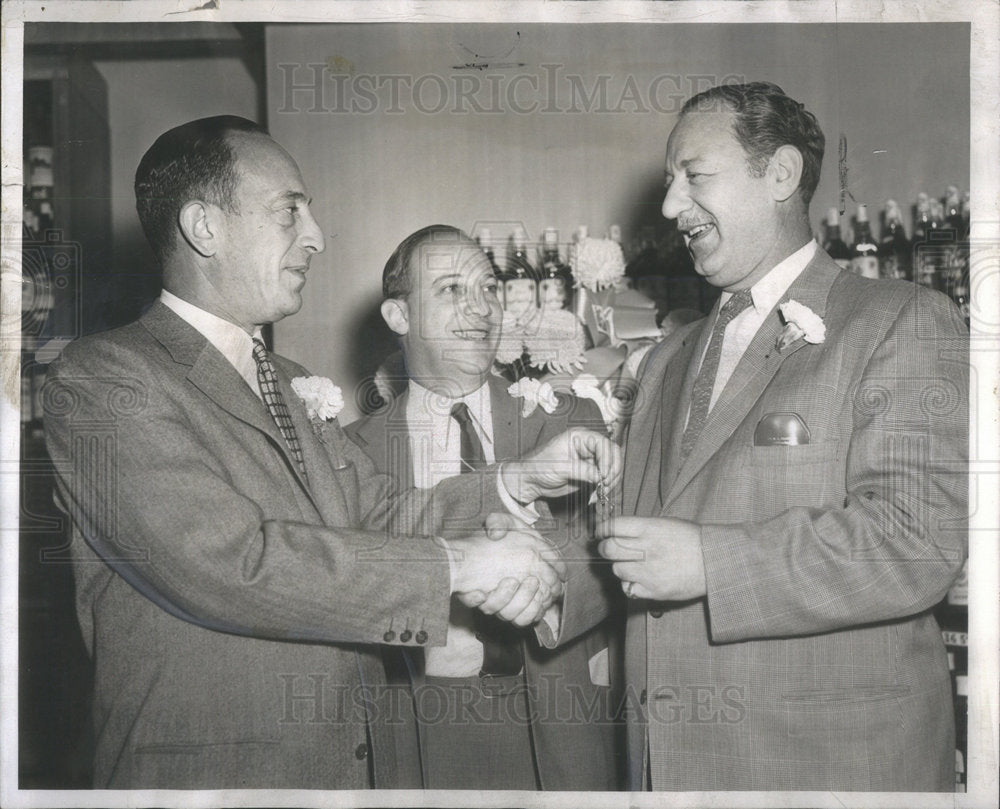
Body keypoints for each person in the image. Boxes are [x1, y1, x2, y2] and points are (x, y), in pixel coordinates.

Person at [42, 116, 620, 789]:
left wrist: (518, 479)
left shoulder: (285, 380)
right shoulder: (104, 379)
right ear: (205, 228)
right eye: (290, 211)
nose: (315, 236)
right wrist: (459, 564)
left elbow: (377, 509)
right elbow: (233, 562)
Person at [583, 82, 967, 790]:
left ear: (781, 175)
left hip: (824, 768)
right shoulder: (666, 358)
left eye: (694, 177)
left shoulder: (902, 319)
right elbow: (638, 546)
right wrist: (520, 572)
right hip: (667, 769)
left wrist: (713, 565)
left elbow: (916, 540)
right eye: (670, 183)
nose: (670, 207)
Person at [346, 225, 623, 790]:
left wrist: (551, 592)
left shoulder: (571, 422)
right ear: (399, 317)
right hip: (415, 728)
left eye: (488, 289)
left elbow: (610, 545)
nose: (480, 310)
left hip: (555, 718)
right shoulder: (353, 451)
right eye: (451, 290)